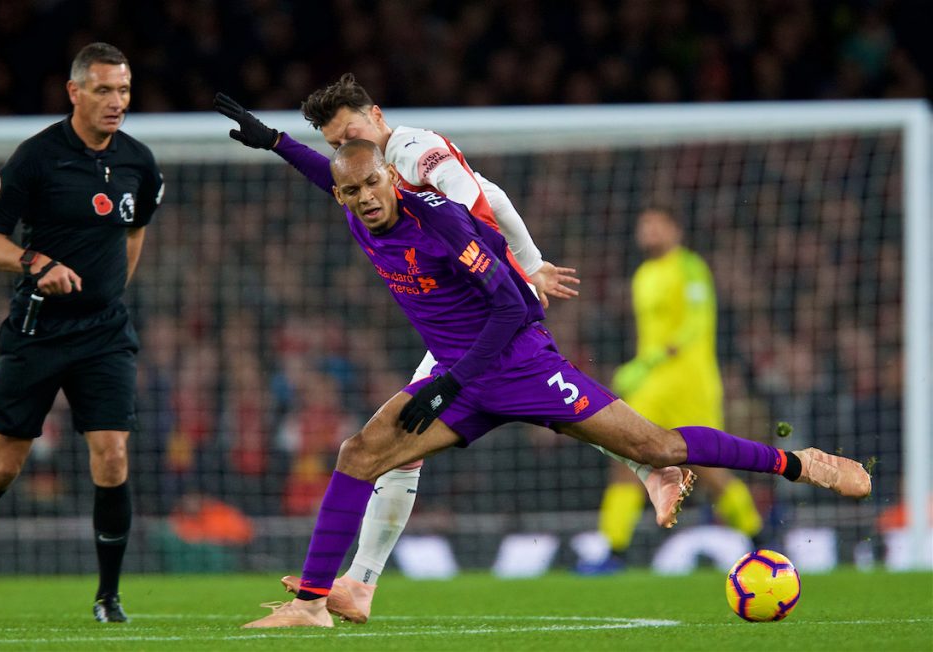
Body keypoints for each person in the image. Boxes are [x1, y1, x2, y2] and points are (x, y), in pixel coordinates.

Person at [217, 121, 870, 628]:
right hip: (462, 379)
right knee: (359, 454)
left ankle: (800, 463)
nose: (363, 198)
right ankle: (310, 600)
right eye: (350, 191)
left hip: (519, 368)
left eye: (371, 185)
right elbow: (327, 169)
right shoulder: (358, 211)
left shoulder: (439, 220)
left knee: (658, 447)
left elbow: (518, 304)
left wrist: (452, 378)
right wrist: (273, 141)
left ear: (393, 177)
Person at [216, 80, 693, 624]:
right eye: (333, 143)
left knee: (411, 439)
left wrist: (513, 266)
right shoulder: (374, 169)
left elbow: (479, 204)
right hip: (469, 318)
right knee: (396, 456)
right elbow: (348, 182)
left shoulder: (416, 153)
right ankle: (359, 586)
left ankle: (648, 463)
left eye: (349, 131)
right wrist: (276, 141)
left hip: (491, 313)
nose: (343, 147)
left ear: (375, 114)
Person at [0, 42, 163, 623]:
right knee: (2, 467)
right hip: (38, 333)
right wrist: (39, 264)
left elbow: (134, 232)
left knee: (112, 458)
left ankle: (108, 597)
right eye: (104, 90)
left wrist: (109, 292)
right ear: (75, 92)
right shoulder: (35, 159)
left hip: (105, 334)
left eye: (124, 90)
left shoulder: (139, 161)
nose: (116, 102)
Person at [592, 207, 765, 572]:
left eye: (657, 223)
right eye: (644, 224)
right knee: (624, 459)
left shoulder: (689, 267)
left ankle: (759, 537)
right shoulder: (642, 275)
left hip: (690, 385)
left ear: (675, 229)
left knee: (707, 467)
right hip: (652, 388)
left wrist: (648, 360)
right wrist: (642, 369)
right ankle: (613, 551)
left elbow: (695, 325)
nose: (649, 230)